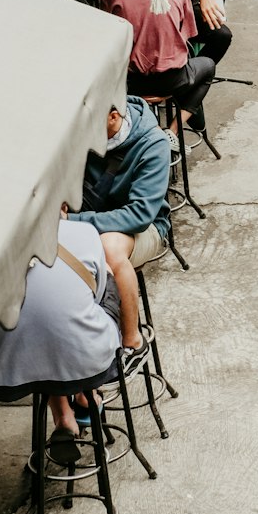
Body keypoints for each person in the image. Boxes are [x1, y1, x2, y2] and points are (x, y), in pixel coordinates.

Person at [0, 219, 121, 460]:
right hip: (88, 362)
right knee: (99, 286)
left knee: (42, 337)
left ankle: (64, 419)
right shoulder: (84, 231)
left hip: (10, 372)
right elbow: (96, 295)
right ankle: (87, 396)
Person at [64, 98, 171, 353]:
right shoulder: (82, 127)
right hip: (89, 218)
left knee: (107, 248)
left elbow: (140, 215)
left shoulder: (153, 143)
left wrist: (73, 222)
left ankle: (132, 342)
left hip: (142, 230)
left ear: (113, 117)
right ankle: (72, 373)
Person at [100, 0, 215, 129]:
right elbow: (186, 33)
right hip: (172, 79)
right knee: (208, 66)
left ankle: (146, 129)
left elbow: (108, 42)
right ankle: (173, 130)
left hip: (129, 83)